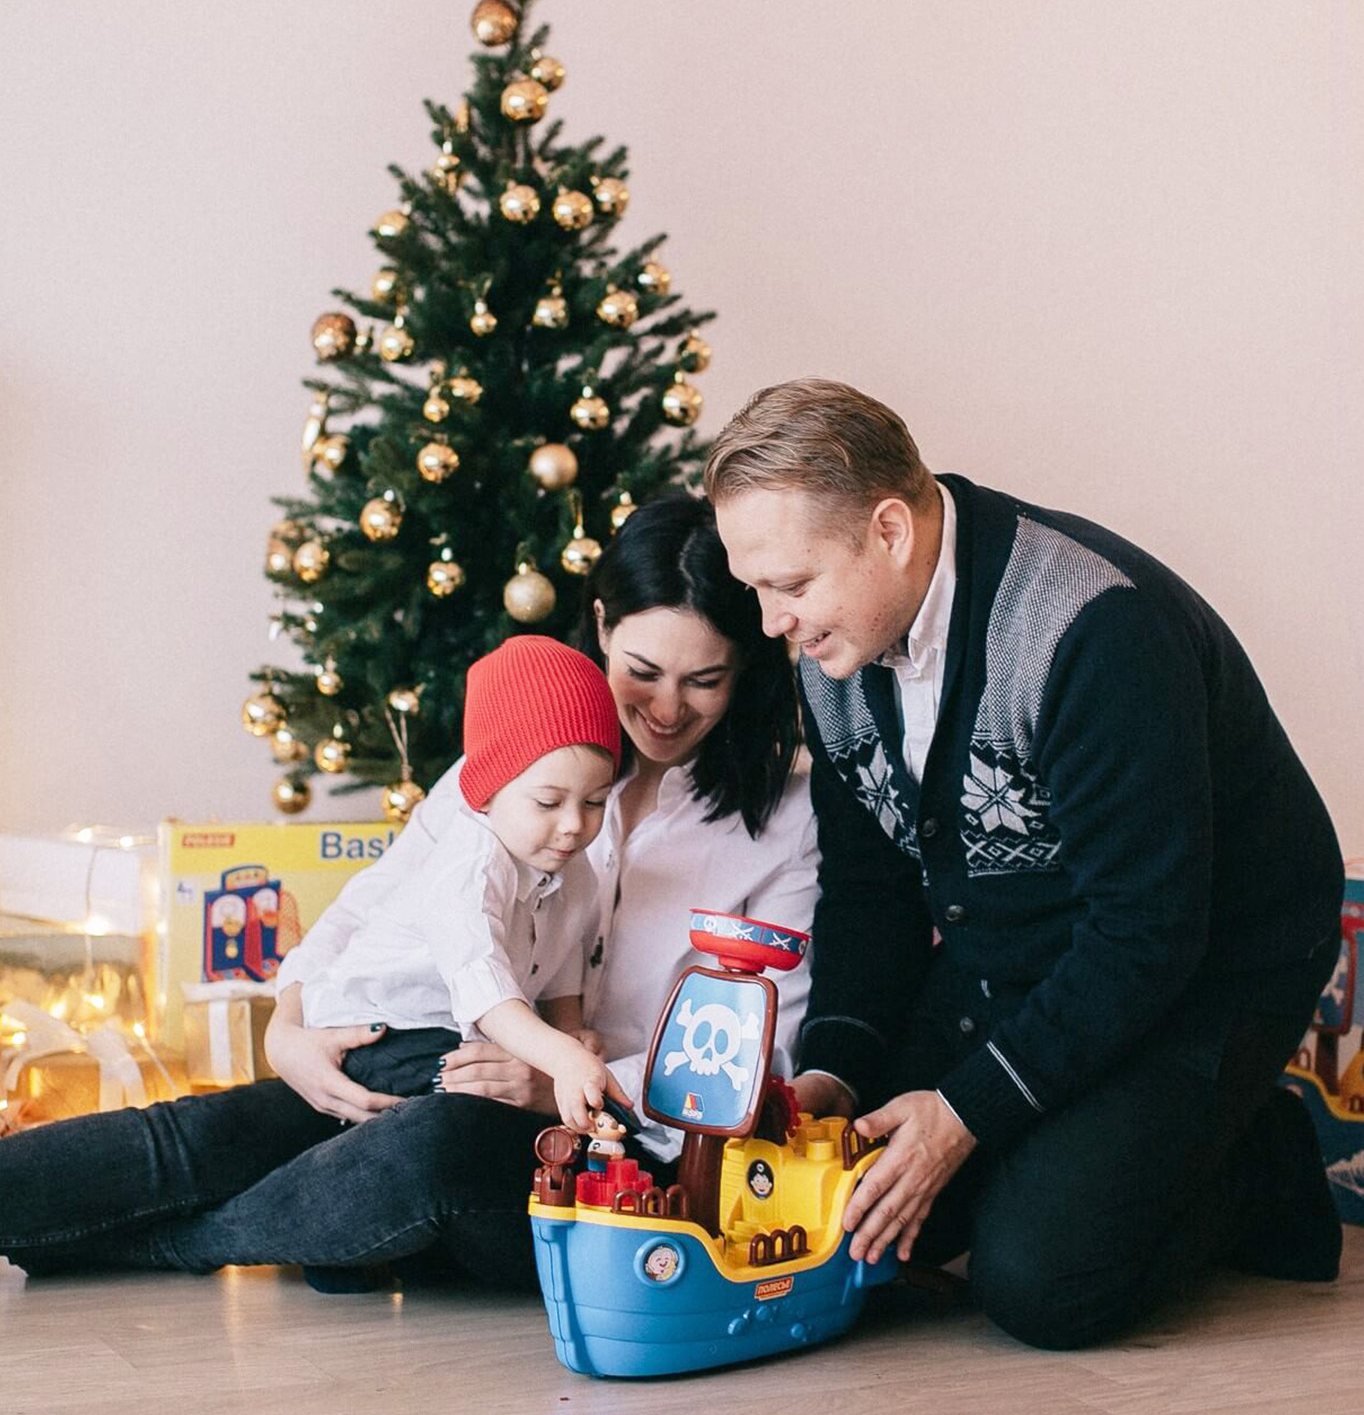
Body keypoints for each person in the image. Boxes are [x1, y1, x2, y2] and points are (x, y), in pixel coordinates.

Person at [0, 494, 817, 1288]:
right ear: (601, 626)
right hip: (433, 1065)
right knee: (213, 1130)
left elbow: (763, 1056)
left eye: (705, 680)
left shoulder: (785, 822)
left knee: (428, 1146)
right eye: (642, 672)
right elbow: (373, 899)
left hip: (612, 1152)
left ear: (745, 670)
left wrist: (568, 1081)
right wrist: (290, 1023)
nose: (667, 709)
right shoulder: (512, 767)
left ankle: (192, 1246)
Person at [705, 377, 1346, 1350]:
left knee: (1042, 1282)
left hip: (1214, 954)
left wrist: (966, 1112)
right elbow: (873, 888)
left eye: (790, 586)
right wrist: (838, 1068)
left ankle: (1255, 1156)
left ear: (889, 529)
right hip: (1026, 942)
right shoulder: (832, 654)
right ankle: (1130, 1144)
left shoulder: (1090, 628)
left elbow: (1147, 934)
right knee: (873, 1222)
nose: (770, 624)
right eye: (756, 588)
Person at [278, 633, 626, 1133]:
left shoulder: (572, 868)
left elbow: (561, 963)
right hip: (377, 1028)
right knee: (468, 1105)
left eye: (595, 801)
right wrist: (562, 1056)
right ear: (486, 794)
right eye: (548, 803)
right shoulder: (470, 867)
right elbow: (483, 987)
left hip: (445, 1033)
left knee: (490, 1087)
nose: (574, 823)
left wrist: (571, 1034)